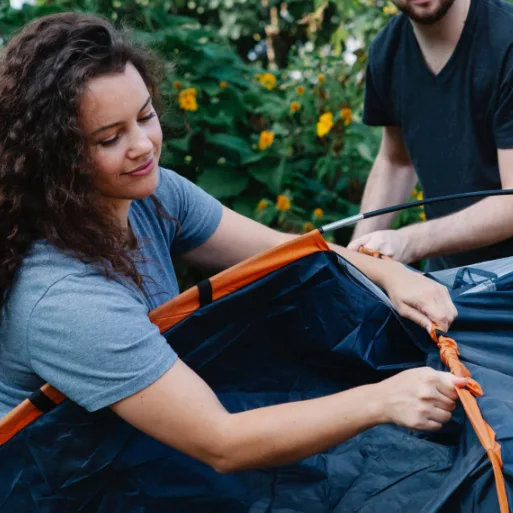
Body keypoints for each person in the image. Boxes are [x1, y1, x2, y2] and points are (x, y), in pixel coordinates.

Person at [0, 13, 465, 474]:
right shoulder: (66, 301)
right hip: (66, 486)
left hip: (136, 448)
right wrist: (383, 400)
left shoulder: (152, 196)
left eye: (145, 116)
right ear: (55, 157)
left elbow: (287, 254)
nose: (142, 145)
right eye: (110, 138)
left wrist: (390, 273)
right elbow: (222, 442)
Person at [348, 0, 513, 272]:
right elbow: (396, 161)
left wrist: (409, 241)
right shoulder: (387, 51)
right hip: (446, 279)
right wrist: (353, 261)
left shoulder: (506, 40)